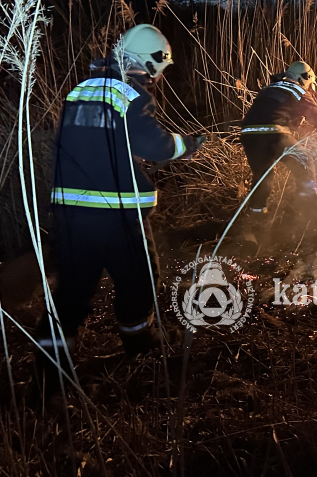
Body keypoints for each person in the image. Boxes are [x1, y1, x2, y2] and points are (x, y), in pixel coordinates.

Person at [34, 23, 201, 375]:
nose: (158, 76)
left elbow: (87, 141)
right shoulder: (130, 93)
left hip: (71, 213)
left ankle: (50, 371)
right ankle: (141, 349)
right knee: (139, 281)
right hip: (117, 216)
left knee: (71, 293)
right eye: (160, 67)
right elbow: (154, 145)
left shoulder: (80, 91)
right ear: (151, 61)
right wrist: (187, 145)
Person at [239, 61, 317, 214]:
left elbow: (272, 111)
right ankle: (307, 207)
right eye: (309, 83)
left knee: (263, 174)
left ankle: (256, 213)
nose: (308, 87)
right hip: (274, 133)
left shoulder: (269, 89)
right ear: (304, 78)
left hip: (249, 134)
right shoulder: (297, 90)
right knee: (304, 161)